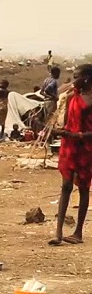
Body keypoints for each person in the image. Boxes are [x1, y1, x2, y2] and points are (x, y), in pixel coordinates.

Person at [48, 64, 92, 246]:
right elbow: (67, 123)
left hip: (86, 147)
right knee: (66, 185)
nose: (75, 80)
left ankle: (78, 232)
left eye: (77, 77)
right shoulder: (72, 97)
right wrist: (59, 131)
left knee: (83, 187)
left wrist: (78, 135)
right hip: (69, 146)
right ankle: (58, 233)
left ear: (88, 78)